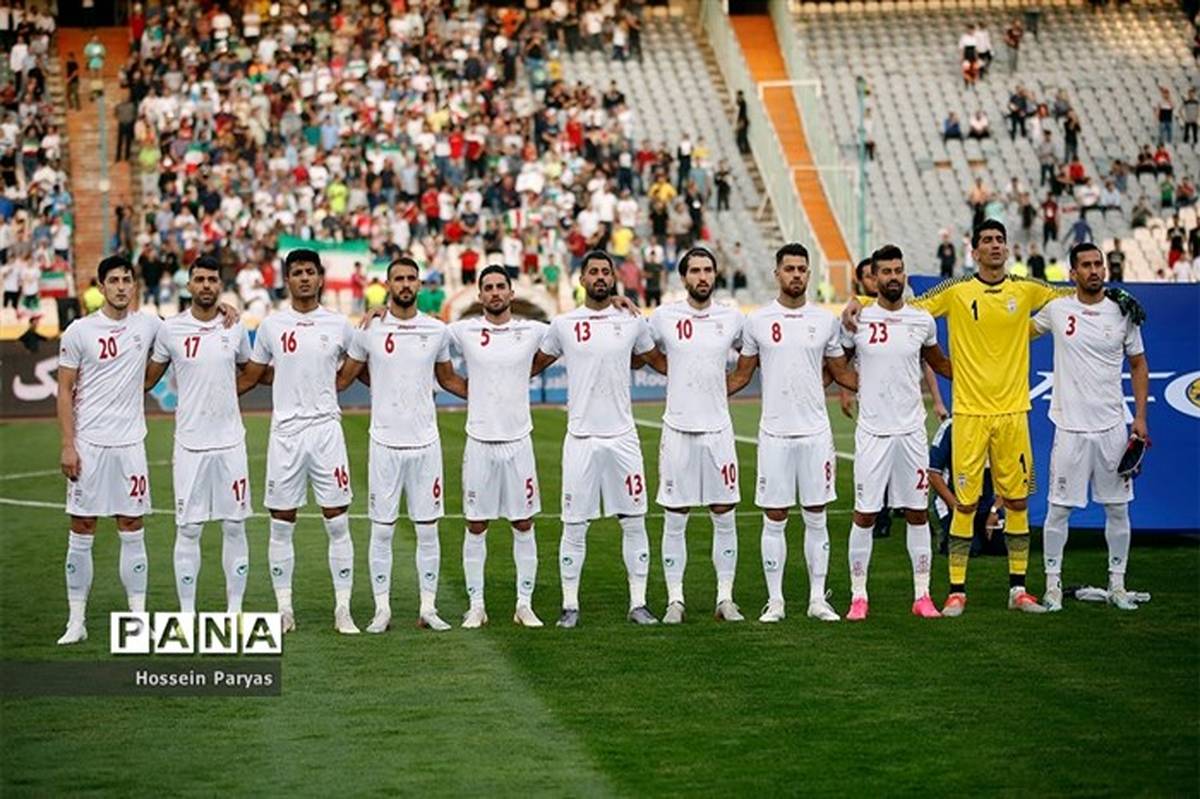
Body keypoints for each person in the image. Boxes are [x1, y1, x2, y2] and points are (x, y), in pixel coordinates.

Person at [843, 220, 1143, 617]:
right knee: (965, 503)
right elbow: (904, 306)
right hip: (969, 413)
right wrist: (860, 301)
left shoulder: (1027, 289)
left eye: (1000, 240)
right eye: (987, 240)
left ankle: (1018, 589)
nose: (995, 245)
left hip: (1013, 412)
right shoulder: (956, 291)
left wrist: (1117, 294)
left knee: (1017, 500)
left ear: (1007, 247)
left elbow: (1074, 292)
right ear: (975, 251)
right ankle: (956, 592)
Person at [726, 243, 857, 623]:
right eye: (789, 268)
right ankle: (776, 601)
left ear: (808, 274)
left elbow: (842, 373)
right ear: (777, 274)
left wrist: (886, 380)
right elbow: (741, 375)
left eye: (802, 269)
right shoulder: (757, 320)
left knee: (817, 516)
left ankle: (817, 600)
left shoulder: (825, 321)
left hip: (815, 434)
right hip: (775, 434)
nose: (796, 274)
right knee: (775, 517)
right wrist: (700, 390)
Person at [335, 256, 467, 634]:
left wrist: (494, 394)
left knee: (428, 530)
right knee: (382, 530)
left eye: (411, 278)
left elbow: (449, 379)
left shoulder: (436, 330)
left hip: (426, 444)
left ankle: (428, 607)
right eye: (399, 279)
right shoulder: (369, 329)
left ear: (419, 285)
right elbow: (344, 378)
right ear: (388, 285)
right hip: (385, 444)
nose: (405, 284)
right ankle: (382, 610)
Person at [532, 251, 662, 627]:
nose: (601, 277)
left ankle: (638, 603)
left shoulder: (631, 321)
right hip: (581, 438)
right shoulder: (563, 324)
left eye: (606, 271)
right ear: (582, 279)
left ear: (613, 279)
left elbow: (652, 359)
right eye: (594, 272)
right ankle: (570, 606)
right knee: (574, 524)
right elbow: (534, 364)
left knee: (634, 521)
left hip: (623, 436)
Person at [237, 249, 360, 635]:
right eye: (297, 273)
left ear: (320, 278)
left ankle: (343, 609)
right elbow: (254, 374)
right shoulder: (272, 326)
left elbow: (355, 364)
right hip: (286, 434)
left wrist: (336, 382)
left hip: (326, 431)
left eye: (310, 272)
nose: (304, 278)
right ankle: (285, 609)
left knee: (337, 519)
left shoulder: (339, 324)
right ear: (287, 280)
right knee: (281, 522)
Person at [1033, 243, 1149, 612]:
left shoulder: (1123, 311)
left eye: (1098, 263)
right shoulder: (1057, 309)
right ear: (1073, 273)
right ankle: (1053, 585)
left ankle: (1118, 584)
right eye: (1086, 265)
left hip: (1113, 428)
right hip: (1069, 428)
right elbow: (1017, 332)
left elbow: (1139, 364)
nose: (1094, 270)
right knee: (1058, 511)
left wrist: (1140, 418)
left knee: (1118, 510)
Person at [838, 246, 952, 620]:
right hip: (873, 432)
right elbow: (837, 363)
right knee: (865, 514)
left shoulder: (922, 321)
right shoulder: (858, 319)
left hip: (911, 432)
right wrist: (857, 387)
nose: (892, 277)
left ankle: (922, 596)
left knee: (917, 513)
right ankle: (858, 596)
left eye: (898, 270)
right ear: (874, 277)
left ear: (904, 274)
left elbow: (939, 364)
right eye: (885, 271)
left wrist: (980, 371)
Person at [55, 256, 163, 645]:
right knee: (82, 527)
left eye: (126, 280)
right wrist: (68, 445)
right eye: (113, 280)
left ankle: (137, 620)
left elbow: (188, 328)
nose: (121, 286)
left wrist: (223, 309)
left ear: (134, 285)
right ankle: (76, 621)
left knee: (132, 526)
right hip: (89, 444)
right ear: (100, 287)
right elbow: (64, 390)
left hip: (131, 444)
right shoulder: (79, 331)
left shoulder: (149, 325)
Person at [143, 257, 252, 616]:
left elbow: (250, 371)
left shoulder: (235, 326)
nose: (206, 285)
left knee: (234, 526)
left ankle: (234, 613)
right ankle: (187, 615)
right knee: (189, 529)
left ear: (220, 285)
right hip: (190, 443)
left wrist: (228, 394)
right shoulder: (170, 329)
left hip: (231, 442)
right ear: (188, 285)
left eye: (212, 280)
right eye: (200, 279)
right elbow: (148, 379)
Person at [648, 247, 749, 624]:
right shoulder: (664, 316)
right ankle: (675, 600)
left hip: (718, 431)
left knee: (724, 513)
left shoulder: (732, 318)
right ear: (683, 277)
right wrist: (672, 371)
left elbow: (750, 356)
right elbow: (643, 350)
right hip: (677, 430)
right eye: (695, 271)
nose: (702, 276)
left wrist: (729, 385)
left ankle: (725, 598)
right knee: (676, 516)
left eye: (708, 270)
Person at [446, 266, 548, 629]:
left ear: (511, 292)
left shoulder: (532, 330)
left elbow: (567, 337)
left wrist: (615, 302)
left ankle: (524, 605)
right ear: (479, 296)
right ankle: (476, 606)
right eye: (487, 287)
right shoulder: (464, 330)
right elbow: (423, 335)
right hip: (479, 441)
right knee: (476, 524)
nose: (494, 292)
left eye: (500, 286)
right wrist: (383, 314)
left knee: (524, 523)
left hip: (518, 441)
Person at [928, 417, 1009, 559]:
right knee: (968, 549)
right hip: (954, 502)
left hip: (986, 504)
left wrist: (995, 510)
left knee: (1003, 546)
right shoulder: (950, 427)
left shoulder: (999, 424)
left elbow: (1010, 476)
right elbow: (933, 473)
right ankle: (947, 536)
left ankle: (979, 533)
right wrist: (954, 506)